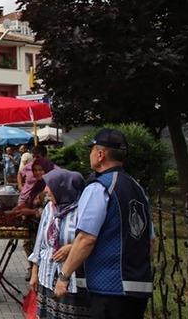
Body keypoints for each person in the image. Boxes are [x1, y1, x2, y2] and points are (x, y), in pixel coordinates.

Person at [55, 129, 153, 318]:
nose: (90, 154)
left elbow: (86, 238)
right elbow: (150, 241)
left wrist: (64, 276)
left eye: (92, 150)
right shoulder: (137, 187)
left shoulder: (99, 187)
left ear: (100, 155)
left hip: (110, 288)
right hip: (138, 286)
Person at [29, 168, 91, 318]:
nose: (45, 190)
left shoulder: (83, 210)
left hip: (72, 280)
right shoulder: (49, 209)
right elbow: (40, 243)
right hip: (47, 276)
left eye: (49, 185)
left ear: (62, 187)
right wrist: (34, 273)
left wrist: (72, 248)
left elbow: (89, 239)